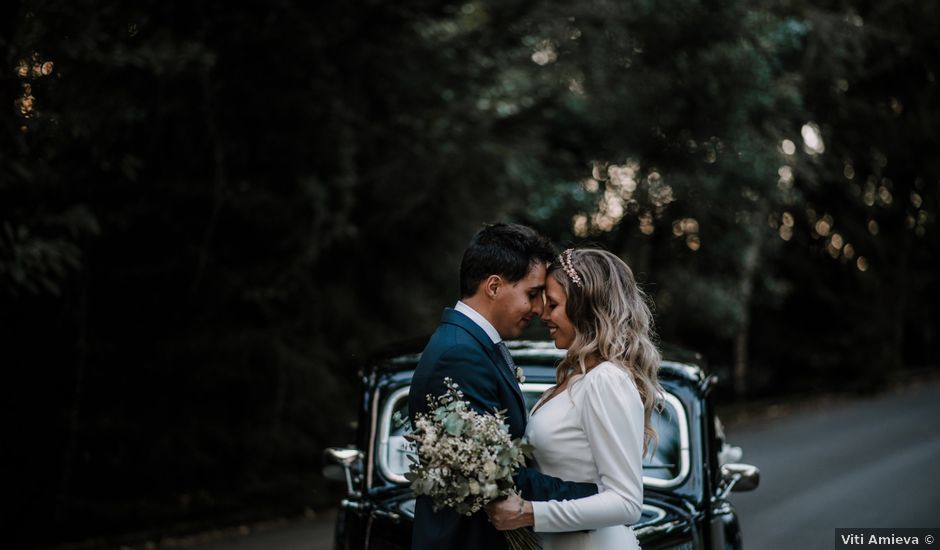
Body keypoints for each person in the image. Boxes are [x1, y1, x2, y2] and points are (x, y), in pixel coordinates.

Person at [408, 224, 599, 550]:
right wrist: (596, 498)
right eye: (532, 294)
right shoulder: (458, 354)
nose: (539, 309)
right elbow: (496, 473)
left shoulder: (470, 344)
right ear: (494, 286)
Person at [485, 248, 663, 550]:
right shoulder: (577, 377)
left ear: (585, 308)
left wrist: (529, 513)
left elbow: (626, 502)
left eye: (552, 304)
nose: (542, 313)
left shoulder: (606, 381)